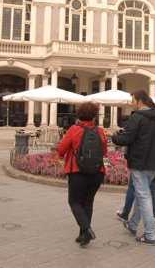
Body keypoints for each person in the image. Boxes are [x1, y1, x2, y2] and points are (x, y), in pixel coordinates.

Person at [105, 90, 155, 246]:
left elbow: (127, 139)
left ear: (139, 101)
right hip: (154, 162)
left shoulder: (136, 117)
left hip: (140, 162)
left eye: (132, 100)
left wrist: (112, 136)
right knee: (141, 195)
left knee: (143, 197)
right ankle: (132, 225)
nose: (131, 103)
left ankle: (150, 234)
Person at [56, 102, 107, 247]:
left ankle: (87, 230)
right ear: (94, 115)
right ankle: (83, 235)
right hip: (97, 172)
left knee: (74, 201)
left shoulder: (74, 129)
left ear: (79, 115)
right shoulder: (100, 131)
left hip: (77, 171)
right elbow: (103, 151)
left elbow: (61, 148)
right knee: (88, 202)